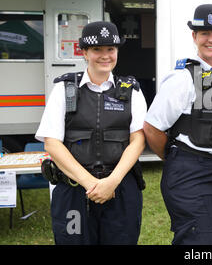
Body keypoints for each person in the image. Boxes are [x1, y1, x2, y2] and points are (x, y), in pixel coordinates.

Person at [35, 21, 147, 245]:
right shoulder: (64, 89)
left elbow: (138, 140)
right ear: (84, 52)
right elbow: (52, 143)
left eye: (110, 49)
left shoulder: (131, 90)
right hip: (74, 190)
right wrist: (91, 184)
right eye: (97, 49)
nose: (105, 56)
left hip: (120, 189)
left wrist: (111, 182)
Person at [143, 4, 212, 245]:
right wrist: (176, 160)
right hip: (191, 173)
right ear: (194, 37)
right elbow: (152, 128)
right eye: (205, 34)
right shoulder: (181, 78)